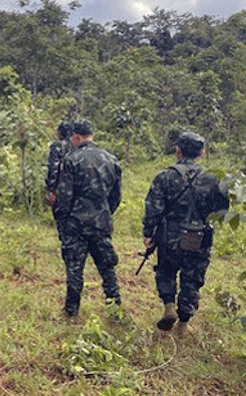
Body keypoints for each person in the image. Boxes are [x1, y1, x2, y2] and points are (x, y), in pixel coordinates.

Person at [142, 132, 229, 336]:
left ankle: (169, 306)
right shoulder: (214, 179)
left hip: (169, 235)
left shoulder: (165, 176)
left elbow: (153, 207)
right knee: (193, 278)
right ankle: (183, 324)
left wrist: (148, 233)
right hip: (199, 236)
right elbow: (222, 210)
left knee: (165, 271)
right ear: (202, 153)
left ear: (178, 150)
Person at [54, 119, 122, 318]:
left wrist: (63, 219)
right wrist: (104, 212)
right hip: (101, 222)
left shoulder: (70, 160)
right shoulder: (111, 160)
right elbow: (116, 197)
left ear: (76, 137)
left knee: (75, 269)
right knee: (107, 269)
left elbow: (64, 197)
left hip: (76, 223)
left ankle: (71, 312)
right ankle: (115, 310)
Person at [45, 120, 74, 239]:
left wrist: (50, 189)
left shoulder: (57, 146)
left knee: (62, 217)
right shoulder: (78, 146)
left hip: (61, 188)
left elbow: (53, 168)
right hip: (77, 188)